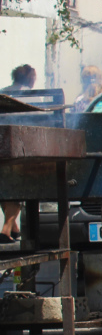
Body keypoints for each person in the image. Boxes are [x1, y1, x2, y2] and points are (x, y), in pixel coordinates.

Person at [0, 64, 36, 244]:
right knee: (17, 187)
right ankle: (6, 229)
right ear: (30, 79)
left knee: (5, 186)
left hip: (1, 148)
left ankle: (14, 229)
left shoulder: (3, 91)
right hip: (19, 147)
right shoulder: (30, 94)